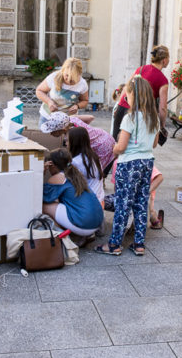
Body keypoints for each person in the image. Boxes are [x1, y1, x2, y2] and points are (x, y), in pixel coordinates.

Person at [96, 76, 159, 256]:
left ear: (135, 97)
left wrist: (113, 147)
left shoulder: (130, 118)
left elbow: (122, 147)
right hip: (147, 162)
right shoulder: (153, 118)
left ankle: (114, 244)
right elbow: (154, 143)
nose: (126, 99)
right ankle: (139, 244)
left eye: (128, 96)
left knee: (123, 204)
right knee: (141, 202)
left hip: (129, 164)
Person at [111, 45, 169, 142]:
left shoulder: (141, 69)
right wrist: (162, 126)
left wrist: (119, 105)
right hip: (138, 114)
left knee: (116, 141)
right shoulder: (163, 80)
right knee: (134, 144)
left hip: (123, 107)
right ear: (164, 60)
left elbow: (127, 87)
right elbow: (162, 107)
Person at [42, 148, 104, 237]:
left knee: (43, 206)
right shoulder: (75, 173)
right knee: (58, 202)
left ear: (52, 165)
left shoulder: (57, 178)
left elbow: (40, 196)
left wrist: (41, 173)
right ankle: (79, 236)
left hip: (85, 225)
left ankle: (62, 236)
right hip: (97, 221)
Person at [40, 111, 115, 172]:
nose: (50, 134)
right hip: (103, 135)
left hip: (103, 146)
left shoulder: (73, 135)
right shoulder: (70, 119)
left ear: (63, 129)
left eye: (52, 131)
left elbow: (74, 156)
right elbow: (90, 117)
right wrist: (86, 127)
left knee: (96, 170)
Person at [36, 57, 89, 125]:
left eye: (73, 77)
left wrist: (77, 106)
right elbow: (39, 91)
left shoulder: (82, 84)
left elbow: (85, 101)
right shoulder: (53, 77)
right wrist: (49, 102)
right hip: (48, 117)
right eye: (67, 75)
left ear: (80, 74)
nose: (69, 80)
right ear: (63, 70)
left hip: (68, 119)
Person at [68, 127, 104, 206]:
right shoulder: (94, 157)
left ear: (73, 142)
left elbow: (70, 187)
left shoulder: (75, 162)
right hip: (100, 202)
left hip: (88, 205)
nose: (67, 144)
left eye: (68, 141)